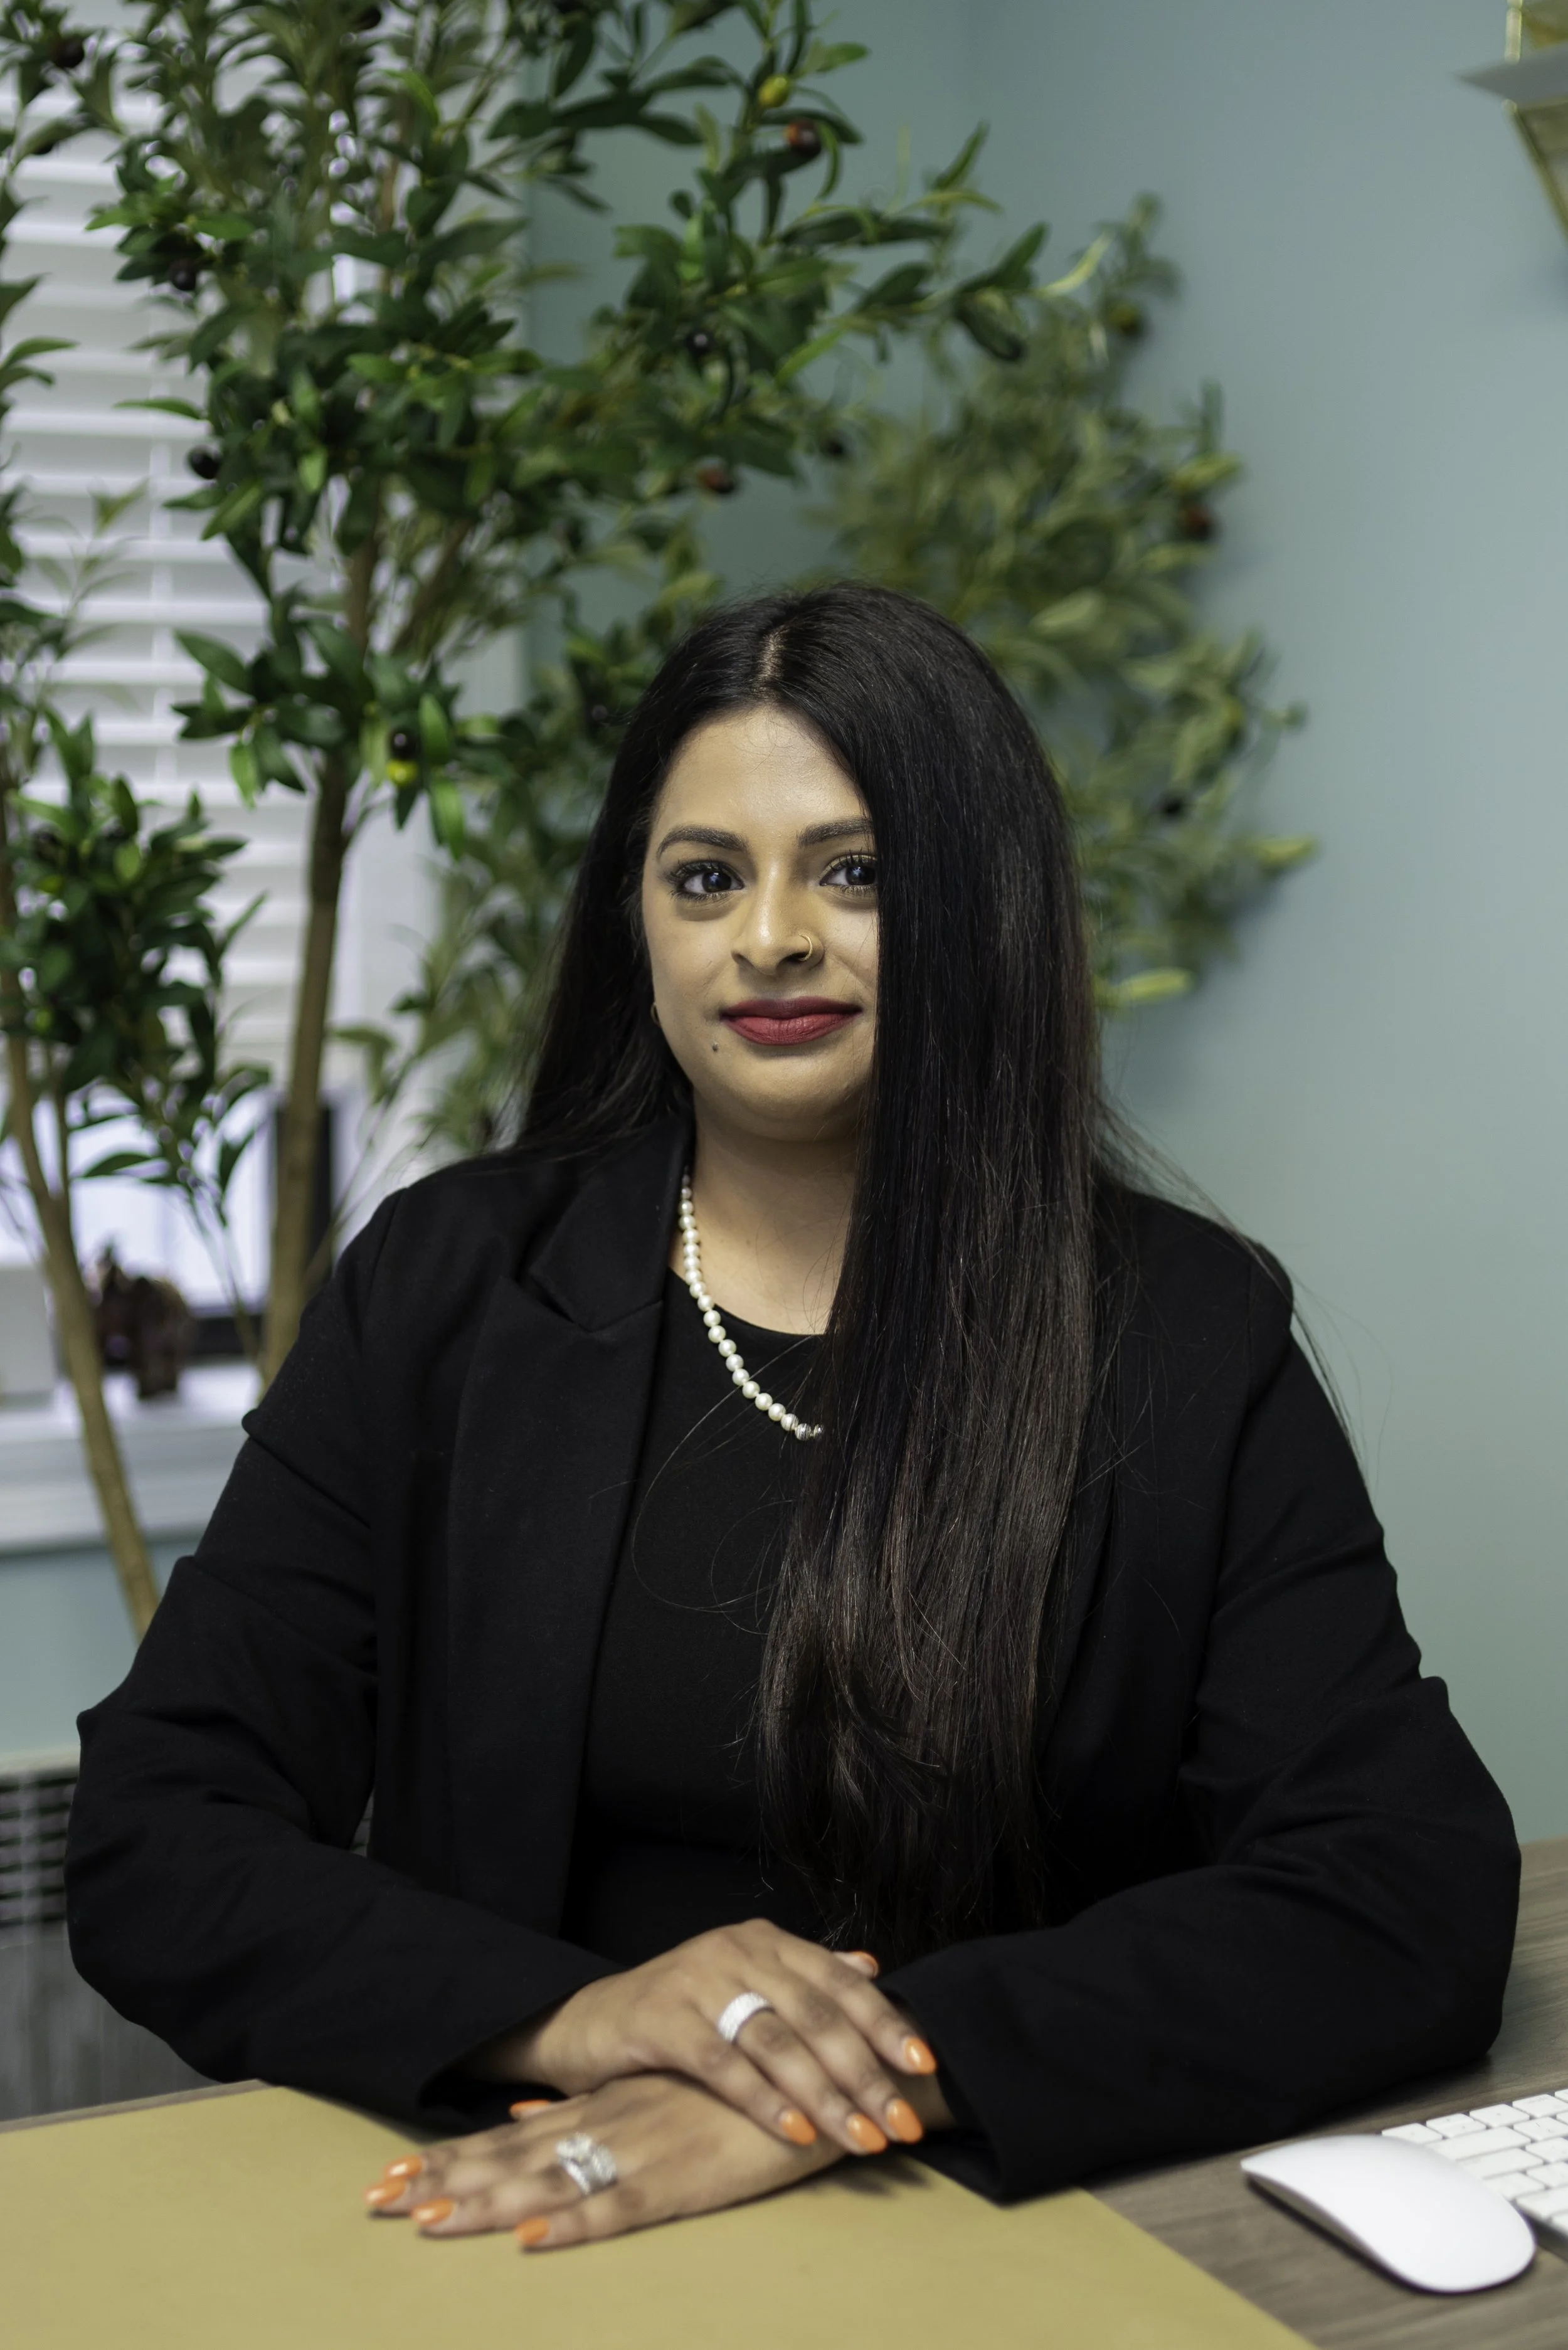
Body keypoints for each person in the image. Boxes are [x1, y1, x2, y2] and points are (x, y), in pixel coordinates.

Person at [65, 584, 1518, 2255]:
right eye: (705, 878)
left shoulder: (1184, 1331)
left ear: (979, 913)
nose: (769, 936)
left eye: (856, 873)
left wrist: (844, 2081)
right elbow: (159, 1830)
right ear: (641, 926)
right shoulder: (451, 1285)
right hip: (515, 2196)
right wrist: (587, 2018)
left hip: (996, 2219)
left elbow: (1400, 1890)